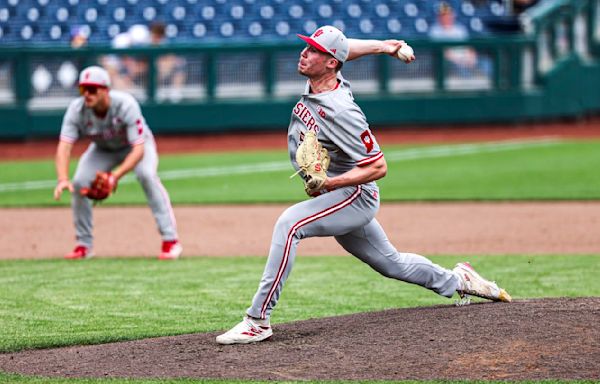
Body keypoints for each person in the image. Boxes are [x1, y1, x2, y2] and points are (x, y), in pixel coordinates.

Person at [216, 25, 511, 345]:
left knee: (289, 225)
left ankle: (257, 320)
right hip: (343, 194)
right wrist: (386, 46)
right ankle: (459, 280)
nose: (304, 53)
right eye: (308, 47)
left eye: (314, 50)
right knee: (391, 263)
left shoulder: (341, 110)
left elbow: (378, 166)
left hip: (354, 195)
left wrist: (331, 183)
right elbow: (345, 48)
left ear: (330, 63)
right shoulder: (321, 76)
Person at [53, 66, 182, 260]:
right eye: (83, 89)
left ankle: (171, 240)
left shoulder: (125, 104)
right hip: (102, 149)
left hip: (135, 146)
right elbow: (64, 147)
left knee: (146, 175)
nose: (86, 94)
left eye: (92, 89)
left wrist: (114, 176)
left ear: (105, 89)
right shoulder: (77, 109)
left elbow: (139, 149)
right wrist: (62, 178)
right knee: (79, 183)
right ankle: (84, 245)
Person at [429, 2, 491, 77]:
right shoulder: (435, 31)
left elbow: (469, 47)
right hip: (451, 63)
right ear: (439, 17)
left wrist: (472, 57)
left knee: (486, 63)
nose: (446, 17)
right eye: (443, 15)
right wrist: (459, 61)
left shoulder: (460, 29)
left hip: (465, 59)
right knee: (463, 71)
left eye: (448, 15)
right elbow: (442, 52)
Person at [149, 21, 186, 102]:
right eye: (156, 34)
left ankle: (176, 93)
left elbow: (171, 58)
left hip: (164, 74)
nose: (158, 37)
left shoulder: (163, 44)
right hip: (145, 76)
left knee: (179, 64)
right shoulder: (145, 43)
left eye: (160, 35)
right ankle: (157, 92)